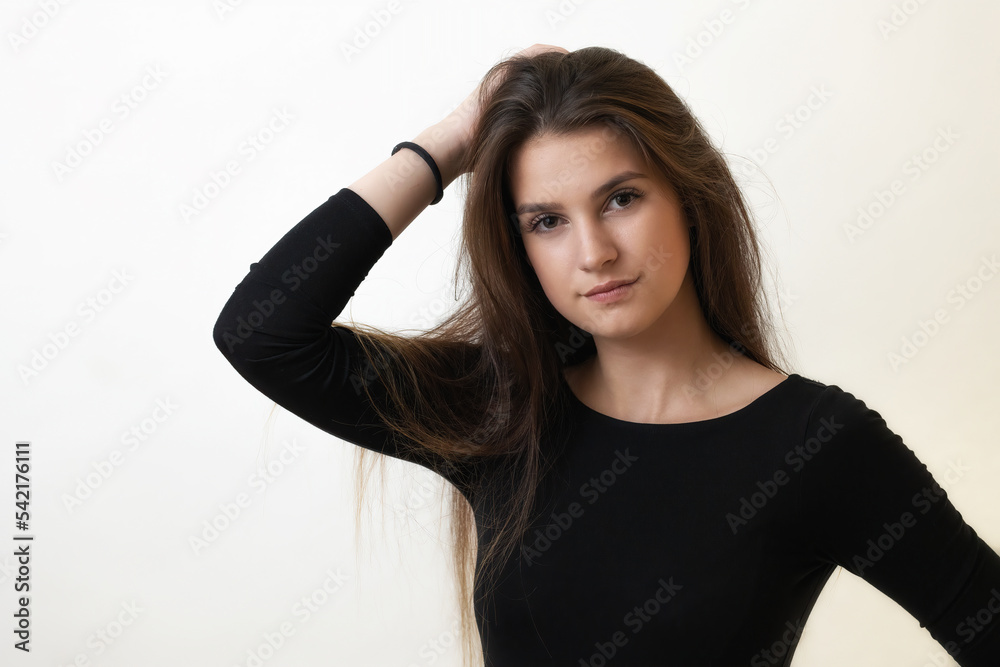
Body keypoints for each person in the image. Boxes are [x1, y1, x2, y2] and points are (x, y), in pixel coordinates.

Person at [213, 44, 1000, 666]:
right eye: (546, 221)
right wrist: (453, 139)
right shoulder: (504, 412)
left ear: (689, 197)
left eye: (622, 198)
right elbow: (264, 331)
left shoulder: (817, 443)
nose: (594, 252)